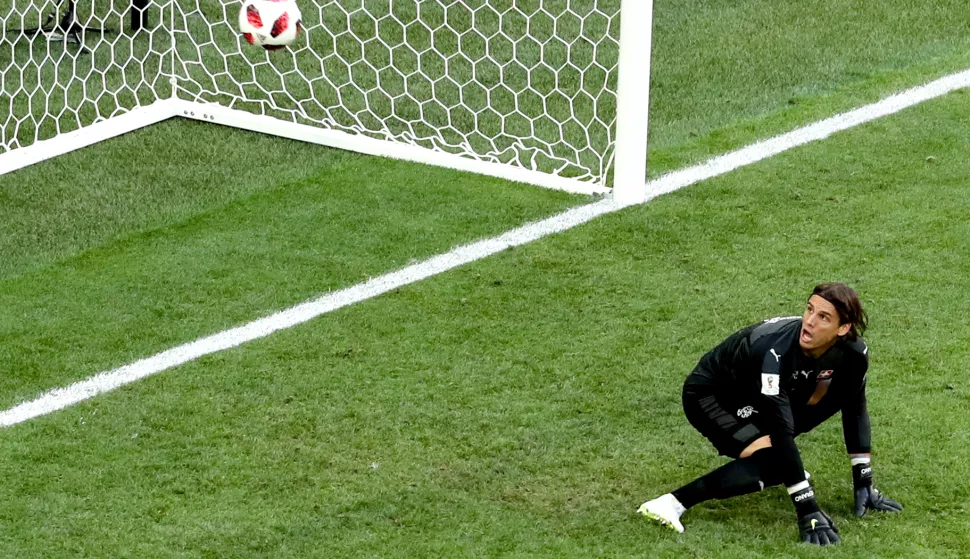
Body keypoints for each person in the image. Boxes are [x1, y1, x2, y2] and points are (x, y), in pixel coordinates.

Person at [637, 283, 902, 545]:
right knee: (775, 462)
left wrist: (863, 480)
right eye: (809, 310)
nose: (809, 321)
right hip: (712, 395)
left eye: (823, 317)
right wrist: (806, 507)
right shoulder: (773, 353)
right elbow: (781, 430)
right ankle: (671, 503)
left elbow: (854, 405)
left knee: (840, 395)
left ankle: (789, 472)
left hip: (760, 392)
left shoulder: (854, 353)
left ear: (843, 328)